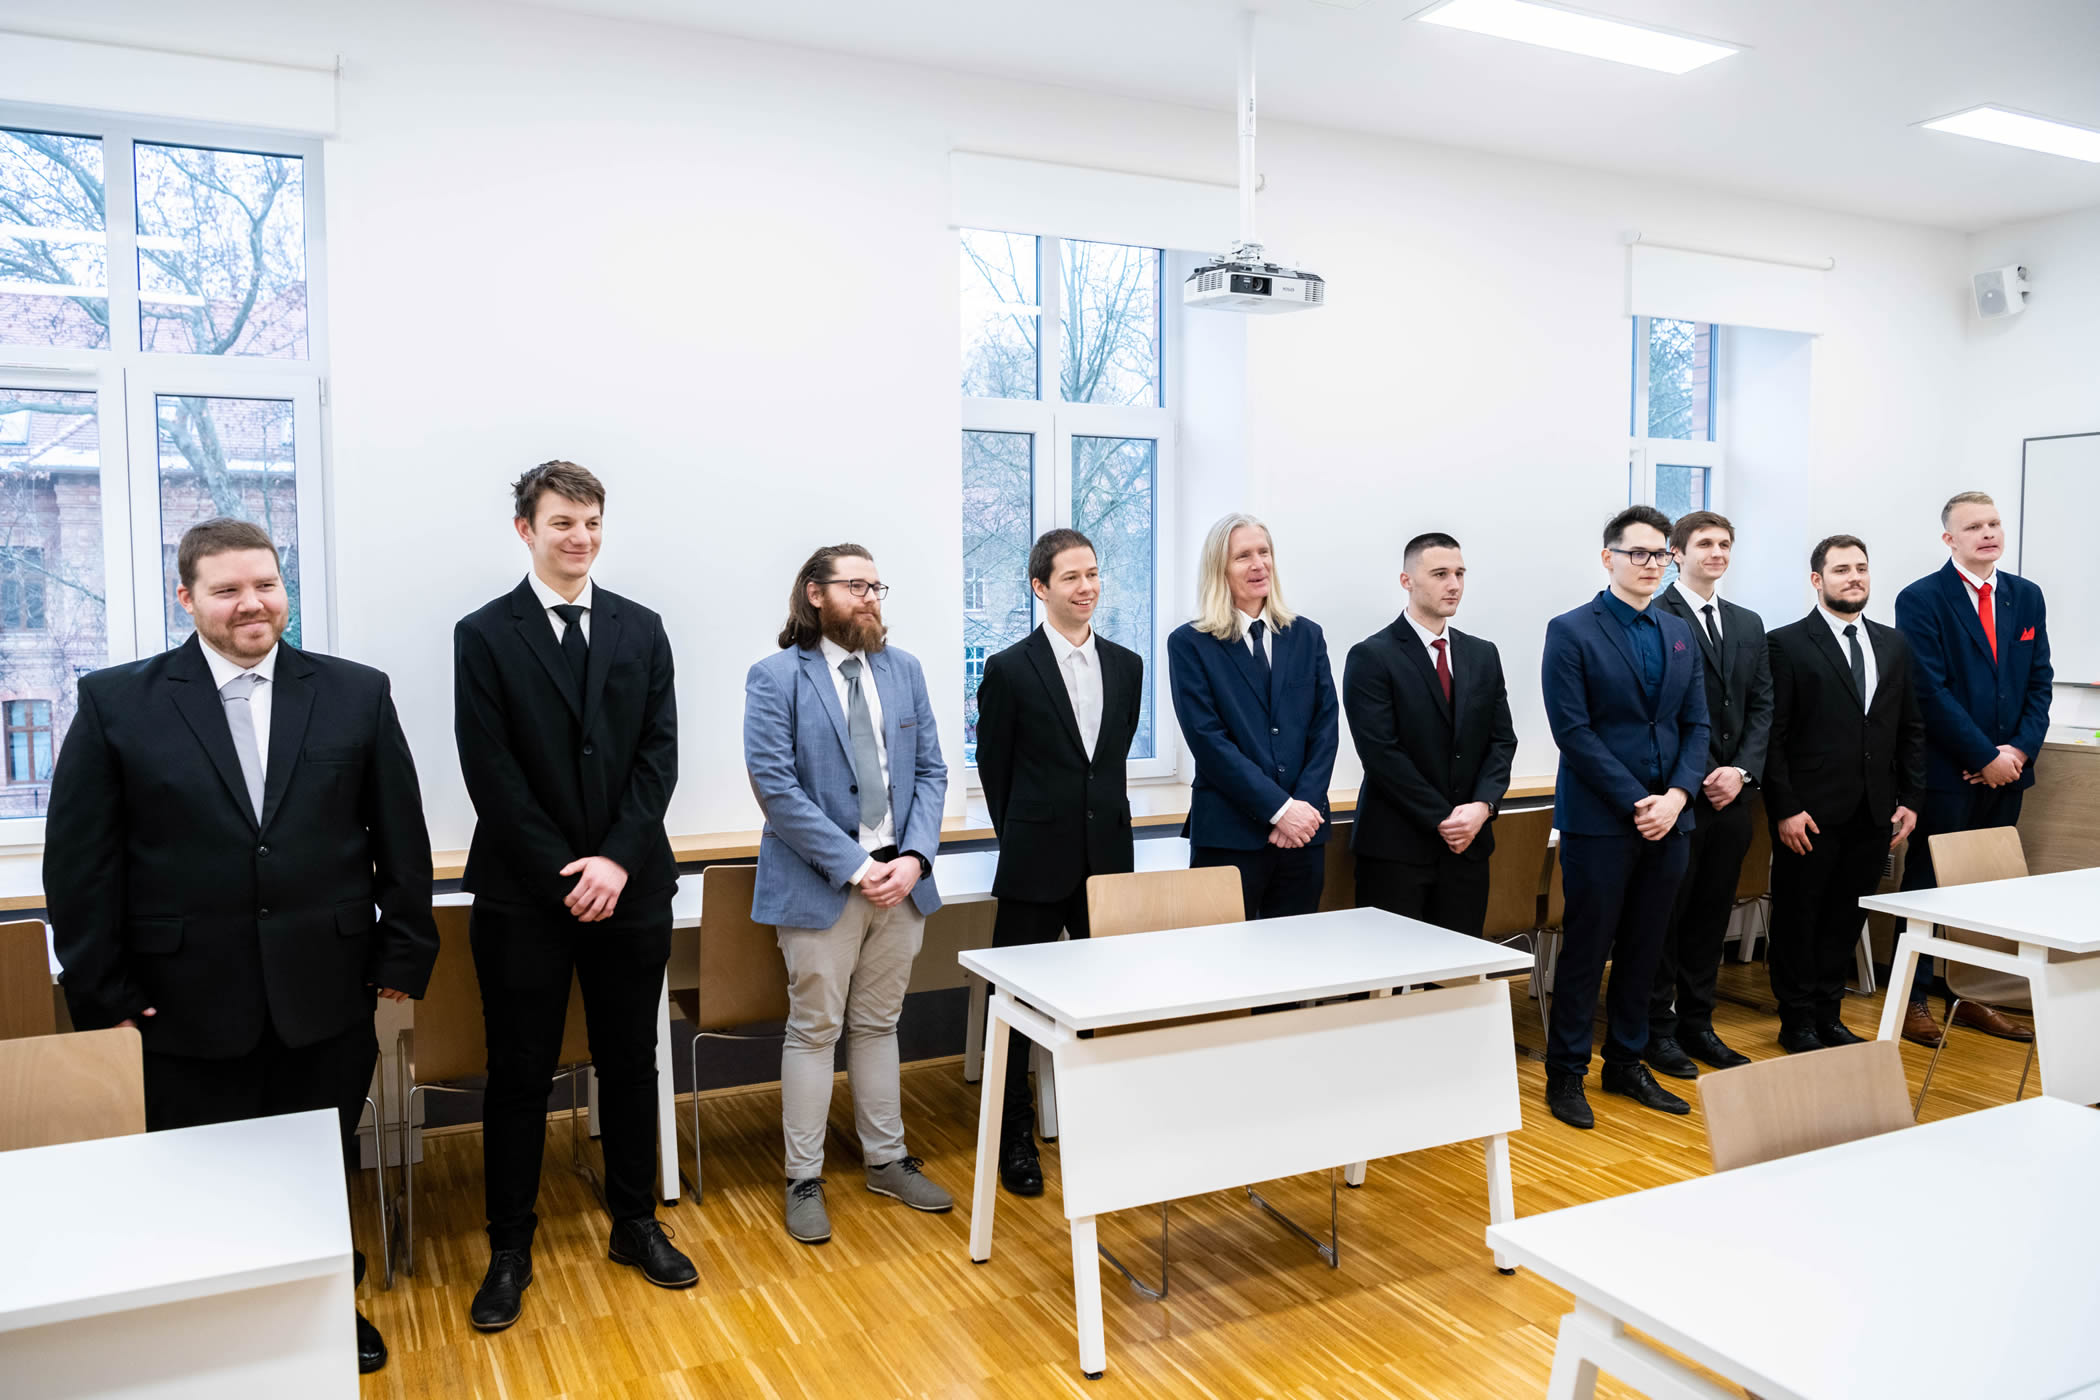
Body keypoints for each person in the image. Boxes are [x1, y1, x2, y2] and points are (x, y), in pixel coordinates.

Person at [45, 517, 438, 1375]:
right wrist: (104, 998)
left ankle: (324, 1304)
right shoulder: (116, 702)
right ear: (187, 600)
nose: (252, 603)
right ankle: (221, 1328)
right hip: (180, 1000)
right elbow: (80, 866)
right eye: (227, 589)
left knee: (315, 1164)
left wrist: (403, 954)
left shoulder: (355, 692)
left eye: (266, 584)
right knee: (204, 1174)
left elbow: (401, 838)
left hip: (326, 989)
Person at [453, 461, 691, 1331]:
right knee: (519, 1072)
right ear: (526, 529)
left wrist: (616, 862)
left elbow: (658, 757)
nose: (579, 537)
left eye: (591, 522)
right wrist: (569, 869)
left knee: (631, 1061)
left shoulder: (642, 627)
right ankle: (509, 1247)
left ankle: (635, 1222)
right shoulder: (484, 634)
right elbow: (491, 771)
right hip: (525, 894)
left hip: (632, 886)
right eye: (561, 522)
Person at [744, 543, 951, 1246]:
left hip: (903, 884)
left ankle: (887, 1161)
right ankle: (803, 1178)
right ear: (815, 593)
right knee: (814, 1029)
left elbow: (931, 772)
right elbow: (776, 789)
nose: (870, 598)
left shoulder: (904, 670)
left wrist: (916, 857)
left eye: (876, 586)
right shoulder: (776, 677)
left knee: (879, 1025)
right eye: (856, 585)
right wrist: (859, 867)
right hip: (822, 884)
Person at [974, 528, 1143, 1197]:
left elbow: (1108, 764)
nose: (1086, 587)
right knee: (1014, 1007)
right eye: (1071, 577)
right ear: (1040, 587)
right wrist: (1026, 836)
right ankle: (1014, 1136)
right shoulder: (1009, 669)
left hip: (1109, 863)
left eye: (1093, 573)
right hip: (1035, 861)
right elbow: (995, 772)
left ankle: (1108, 1125)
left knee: (1110, 1002)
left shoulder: (1127, 665)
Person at [1539, 505, 1709, 1129]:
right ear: (1608, 557)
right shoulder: (1571, 630)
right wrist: (1640, 800)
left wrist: (1678, 797)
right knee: (1588, 950)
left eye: (1660, 553)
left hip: (1671, 820)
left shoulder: (1678, 630)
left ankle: (1626, 1063)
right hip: (1602, 821)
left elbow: (1697, 725)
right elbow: (1573, 731)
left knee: (1647, 948)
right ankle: (1566, 1073)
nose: (1650, 563)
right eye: (1637, 552)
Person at [1891, 491, 2051, 1045]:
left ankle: (1972, 994)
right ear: (1949, 539)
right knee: (1927, 884)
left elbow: (2039, 682)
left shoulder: (2025, 596)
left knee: (1985, 886)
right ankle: (1912, 999)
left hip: (2009, 772)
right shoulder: (1921, 598)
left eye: (1994, 523)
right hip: (1948, 772)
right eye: (1974, 526)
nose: (1988, 533)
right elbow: (1928, 691)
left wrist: (2017, 754)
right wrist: (1984, 757)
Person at [1764, 536, 1925, 1051]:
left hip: (1875, 810)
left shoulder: (1893, 644)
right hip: (1809, 812)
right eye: (1840, 569)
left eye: (1861, 568)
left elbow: (1910, 726)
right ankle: (1797, 1021)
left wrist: (1910, 798)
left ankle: (1829, 1014)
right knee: (1800, 917)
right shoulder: (1786, 643)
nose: (1853, 577)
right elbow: (1773, 736)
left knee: (1846, 916)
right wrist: (1785, 808)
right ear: (1818, 580)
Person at [1642, 511, 1772, 1077]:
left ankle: (1699, 1023)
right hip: (1678, 796)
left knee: (1711, 917)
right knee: (1665, 918)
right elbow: (1660, 714)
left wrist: (1739, 772)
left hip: (1733, 798)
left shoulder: (1747, 622)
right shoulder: (1655, 615)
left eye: (1724, 544)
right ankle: (1657, 1030)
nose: (1716, 552)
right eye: (1704, 544)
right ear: (1677, 553)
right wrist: (1701, 777)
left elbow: (1762, 707)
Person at [1342, 532, 1518, 935]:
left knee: (1461, 964)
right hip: (1397, 849)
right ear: (1407, 581)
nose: (1453, 584)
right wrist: (1443, 818)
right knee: (1394, 964)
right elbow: (1381, 753)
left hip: (1468, 846)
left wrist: (1483, 806)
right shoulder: (1372, 655)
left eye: (1459, 573)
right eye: (1440, 574)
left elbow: (1502, 741)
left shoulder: (1482, 654)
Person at [1167, 512, 1340, 920]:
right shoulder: (1190, 644)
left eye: (1264, 552)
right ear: (1220, 569)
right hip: (1229, 835)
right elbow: (1208, 741)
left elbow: (1325, 728)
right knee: (1222, 955)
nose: (1258, 564)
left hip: (1304, 835)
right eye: (1243, 556)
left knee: (1297, 952)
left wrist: (1301, 808)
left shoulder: (1307, 635)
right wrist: (1280, 810)